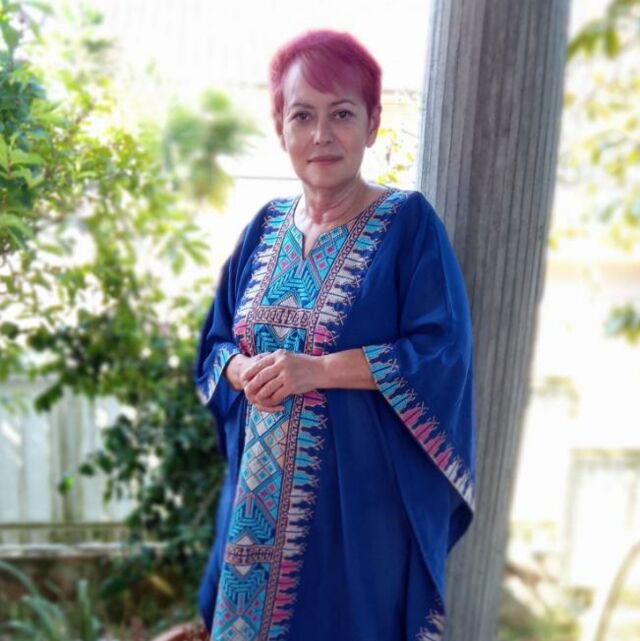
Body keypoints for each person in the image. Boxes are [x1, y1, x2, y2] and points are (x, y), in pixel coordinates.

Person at [194, 28, 476, 641]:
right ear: (281, 129)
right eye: (302, 115)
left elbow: (440, 354)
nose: (321, 134)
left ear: (373, 124)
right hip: (252, 514)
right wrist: (243, 370)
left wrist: (316, 371)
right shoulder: (263, 227)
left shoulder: (409, 226)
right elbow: (215, 347)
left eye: (342, 113)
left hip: (359, 517)